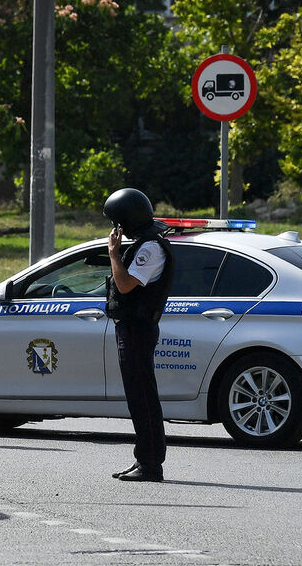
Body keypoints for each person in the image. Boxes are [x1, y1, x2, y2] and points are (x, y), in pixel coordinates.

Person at [103, 187, 174, 482]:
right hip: (132, 327)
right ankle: (143, 459)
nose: (114, 228)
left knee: (143, 396)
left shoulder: (150, 248)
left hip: (137, 328)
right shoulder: (144, 244)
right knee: (138, 395)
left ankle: (150, 464)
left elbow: (125, 285)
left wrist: (113, 254)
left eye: (116, 221)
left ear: (126, 220)